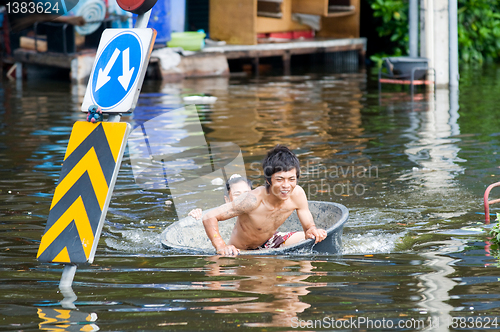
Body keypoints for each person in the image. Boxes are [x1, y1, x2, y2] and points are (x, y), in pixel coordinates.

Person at [203, 145, 327, 256]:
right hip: (240, 251)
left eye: (291, 179)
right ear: (268, 180)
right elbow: (209, 217)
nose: (286, 185)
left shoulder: (298, 194)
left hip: (269, 243)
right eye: (279, 179)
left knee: (318, 238)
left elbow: (309, 227)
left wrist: (312, 230)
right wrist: (221, 246)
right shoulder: (252, 200)